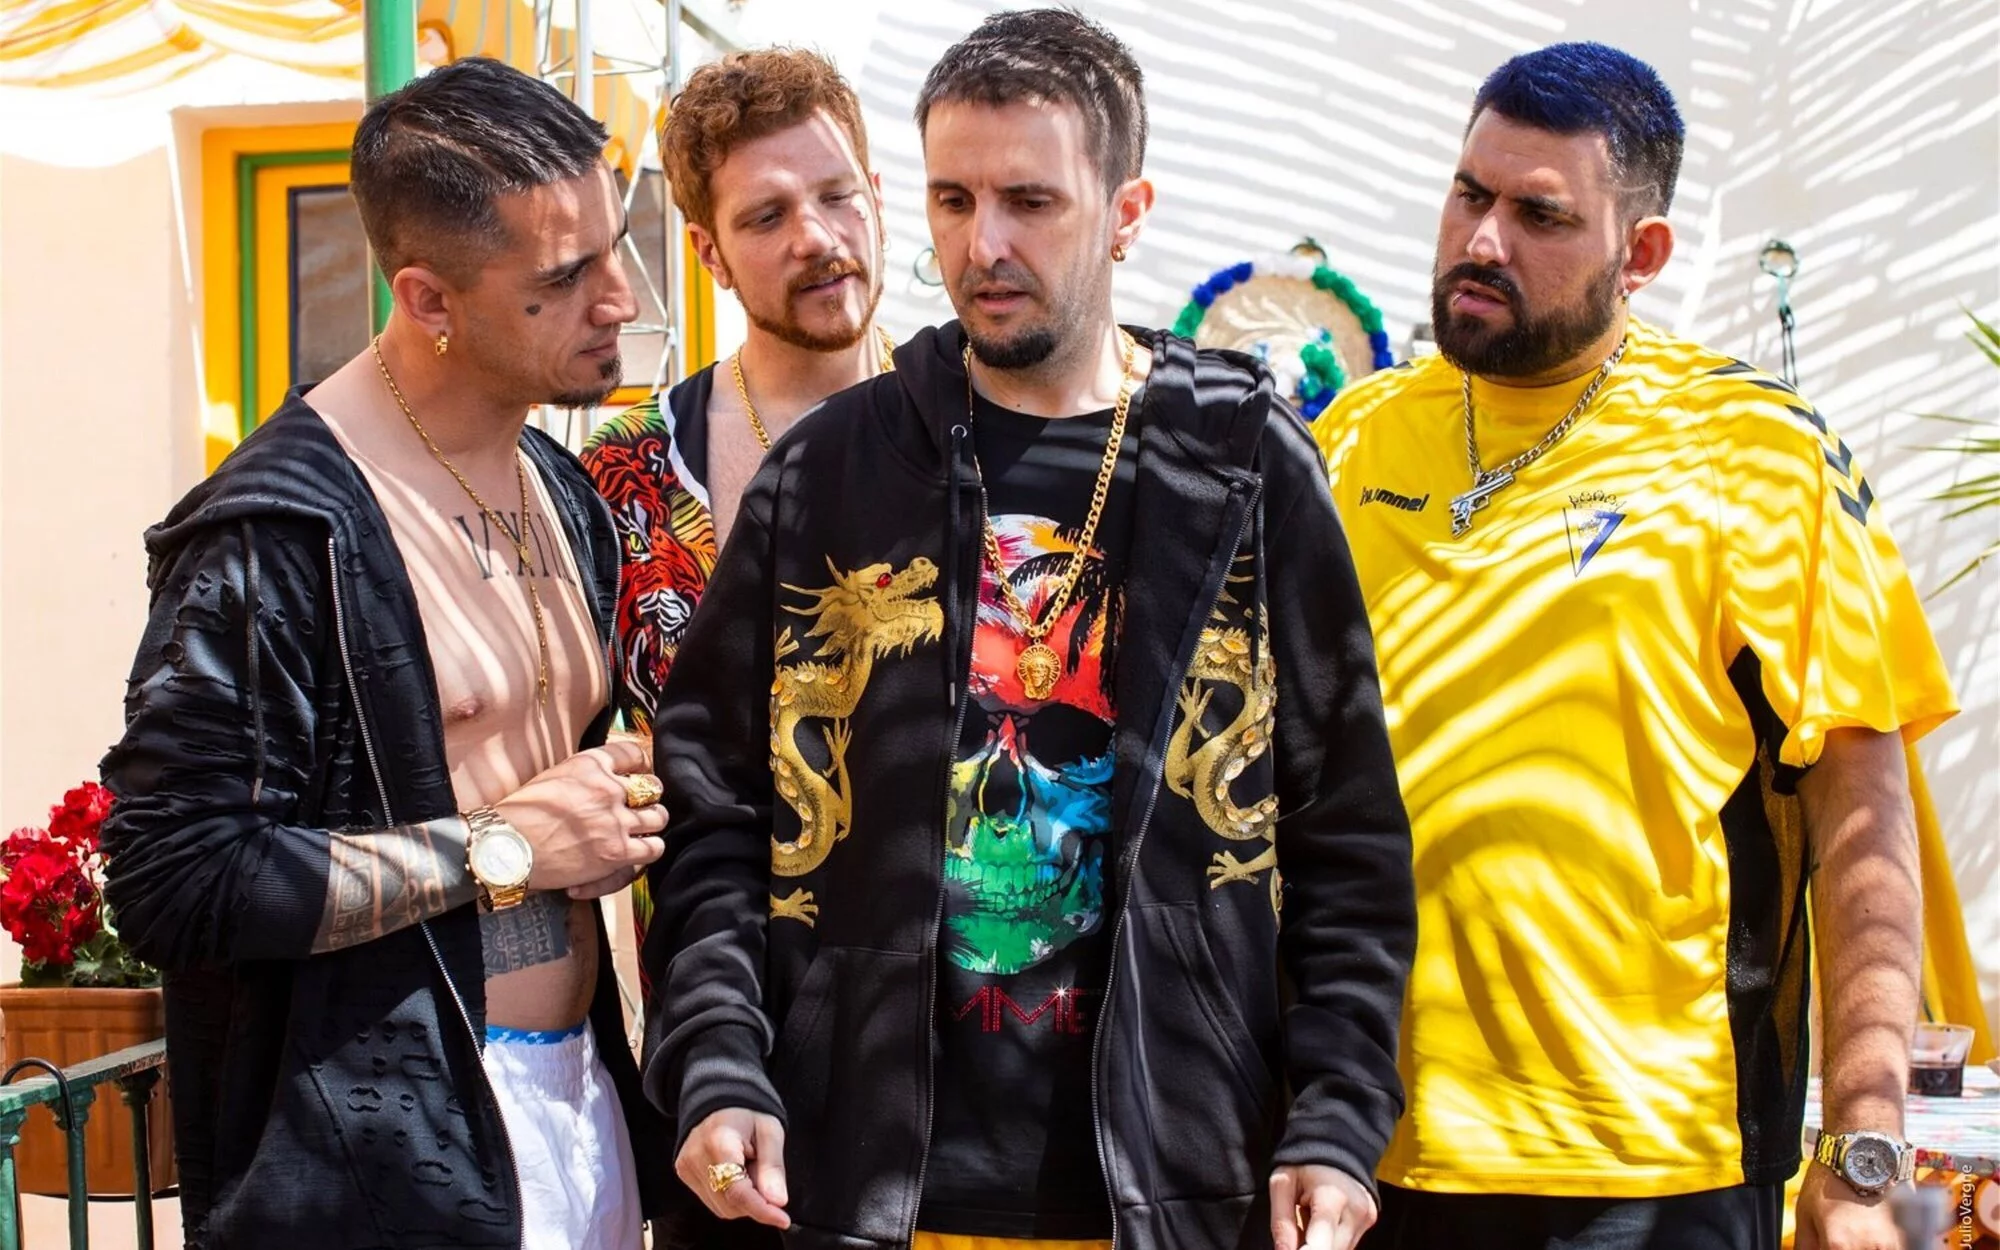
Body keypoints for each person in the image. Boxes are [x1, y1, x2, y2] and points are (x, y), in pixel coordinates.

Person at [643, 10, 1415, 1250]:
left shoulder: (1234, 463)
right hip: (858, 1186)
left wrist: (1333, 1116)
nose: (982, 245)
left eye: (1030, 201)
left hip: (1175, 1183)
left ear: (1124, 211)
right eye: (951, 200)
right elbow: (715, 811)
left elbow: (1345, 829)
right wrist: (717, 1057)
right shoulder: (832, 470)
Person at [1310, 42, 1958, 1250]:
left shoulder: (1753, 452)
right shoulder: (1351, 436)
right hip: (1358, 1153)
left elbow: (1861, 807)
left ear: (1641, 252)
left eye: (1538, 214)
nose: (1481, 240)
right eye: (1468, 193)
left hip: (1647, 1168)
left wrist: (1861, 1151)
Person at [100, 58, 678, 1249]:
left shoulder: (560, 485)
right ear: (427, 299)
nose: (620, 297)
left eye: (612, 248)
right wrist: (507, 844)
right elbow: (173, 876)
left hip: (579, 1106)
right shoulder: (275, 530)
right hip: (382, 1169)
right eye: (562, 278)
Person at [580, 46, 890, 972]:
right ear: (708, 252)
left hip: (950, 996)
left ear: (878, 198)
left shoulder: (980, 428)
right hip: (718, 985)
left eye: (837, 195)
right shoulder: (625, 473)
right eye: (767, 215)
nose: (816, 237)